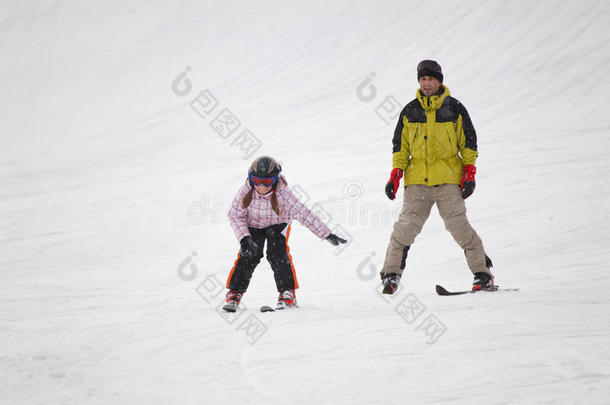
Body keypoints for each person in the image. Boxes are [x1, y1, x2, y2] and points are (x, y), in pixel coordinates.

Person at [381, 60, 495, 294]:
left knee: (460, 228)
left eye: (431, 79)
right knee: (404, 230)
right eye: (423, 79)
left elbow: (469, 144)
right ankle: (391, 276)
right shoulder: (410, 111)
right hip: (417, 183)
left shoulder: (454, 109)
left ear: (439, 81)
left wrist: (469, 172)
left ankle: (483, 275)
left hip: (448, 181)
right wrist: (396, 174)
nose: (427, 83)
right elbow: (400, 147)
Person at [223, 156, 347, 311]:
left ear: (275, 179)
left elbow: (304, 214)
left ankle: (287, 293)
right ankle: (234, 292)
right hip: (253, 225)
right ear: (250, 178)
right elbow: (235, 215)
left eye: (267, 182)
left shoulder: (283, 194)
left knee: (277, 253)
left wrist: (326, 234)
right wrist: (244, 239)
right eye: (257, 180)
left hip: (278, 224)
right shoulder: (245, 191)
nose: (261, 186)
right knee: (249, 254)